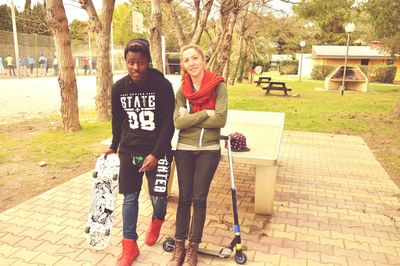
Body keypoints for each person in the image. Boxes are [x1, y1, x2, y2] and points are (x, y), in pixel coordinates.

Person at [103, 38, 175, 266]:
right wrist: (114, 146)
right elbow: (118, 121)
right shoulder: (119, 88)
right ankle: (130, 246)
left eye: (141, 62)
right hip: (129, 149)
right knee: (130, 197)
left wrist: (156, 154)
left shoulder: (162, 86)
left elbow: (168, 124)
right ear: (125, 61)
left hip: (158, 150)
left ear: (148, 62)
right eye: (131, 62)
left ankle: (157, 219)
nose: (135, 67)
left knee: (159, 197)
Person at [167, 44, 227, 266]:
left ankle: (193, 247)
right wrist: (203, 113)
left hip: (209, 150)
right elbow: (178, 123)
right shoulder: (182, 90)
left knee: (199, 199)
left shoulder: (218, 86)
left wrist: (191, 115)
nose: (191, 63)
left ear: (203, 60)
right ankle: (179, 245)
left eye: (195, 58)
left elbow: (220, 120)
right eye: (186, 60)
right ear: (183, 65)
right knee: (184, 198)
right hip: (184, 149)